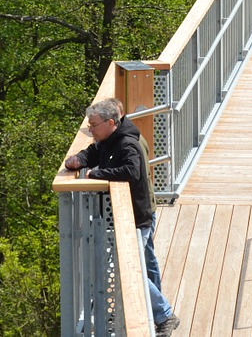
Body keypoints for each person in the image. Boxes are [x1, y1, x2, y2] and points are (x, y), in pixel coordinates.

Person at [64, 99, 180, 337]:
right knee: (144, 263)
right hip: (129, 216)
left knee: (132, 268)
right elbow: (92, 153)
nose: (90, 129)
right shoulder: (107, 141)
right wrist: (78, 160)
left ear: (110, 123)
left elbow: (131, 171)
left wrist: (97, 173)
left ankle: (164, 314)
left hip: (135, 217)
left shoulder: (128, 144)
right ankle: (158, 309)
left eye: (94, 125)